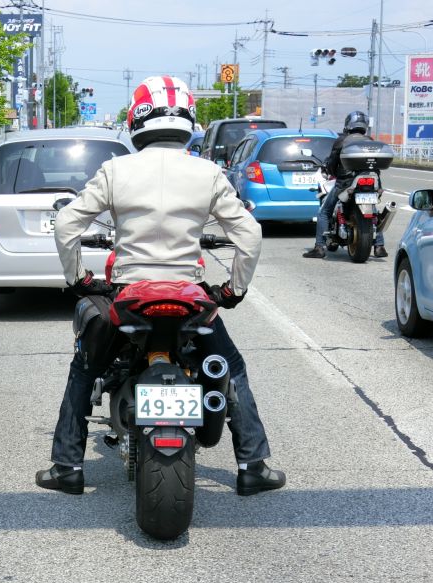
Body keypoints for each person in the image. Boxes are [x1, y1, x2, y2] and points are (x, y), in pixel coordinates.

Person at [35, 76, 285, 497]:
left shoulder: (116, 170)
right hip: (190, 297)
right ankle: (252, 466)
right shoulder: (207, 172)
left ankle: (67, 467)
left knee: (85, 369)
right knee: (231, 369)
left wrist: (78, 278)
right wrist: (233, 289)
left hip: (129, 295)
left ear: (137, 120)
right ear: (188, 119)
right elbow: (250, 234)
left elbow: (66, 224)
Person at [303, 110, 388, 259]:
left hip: (346, 182)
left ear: (348, 125)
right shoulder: (370, 141)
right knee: (373, 210)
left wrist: (330, 170)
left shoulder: (342, 141)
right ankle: (379, 246)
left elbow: (332, 163)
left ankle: (319, 247)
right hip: (371, 181)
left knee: (324, 212)